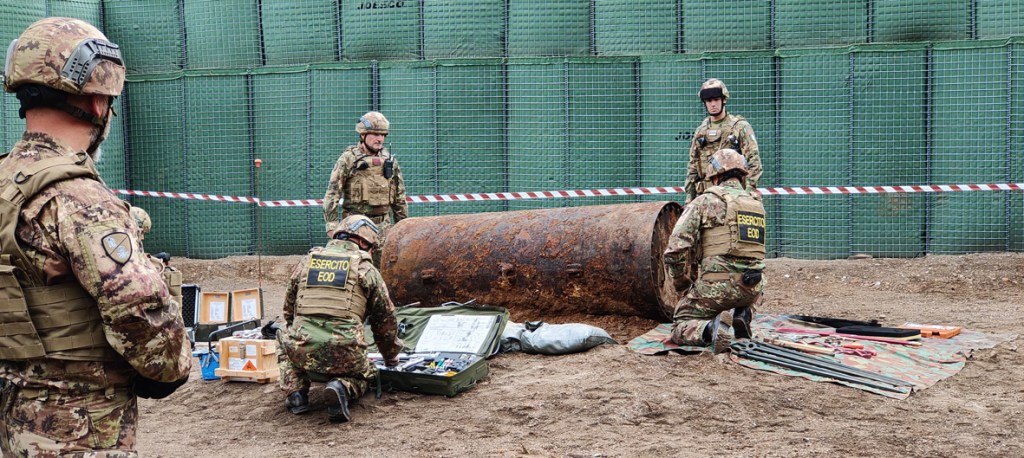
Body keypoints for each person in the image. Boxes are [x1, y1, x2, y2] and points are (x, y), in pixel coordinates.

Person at [0, 17, 191, 456]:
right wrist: (169, 369)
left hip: (14, 415)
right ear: (98, 102)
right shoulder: (80, 198)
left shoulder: (7, 184)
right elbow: (137, 305)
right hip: (79, 422)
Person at [277, 215, 404, 423]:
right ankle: (342, 387)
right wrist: (391, 356)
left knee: (282, 333)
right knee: (365, 374)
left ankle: (296, 394)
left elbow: (288, 311)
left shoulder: (306, 262)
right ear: (362, 242)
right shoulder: (367, 270)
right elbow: (385, 323)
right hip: (347, 353)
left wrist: (303, 338)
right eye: (371, 247)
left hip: (302, 349)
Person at [664, 149, 767, 351]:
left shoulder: (705, 201)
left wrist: (681, 283)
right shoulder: (755, 204)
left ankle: (713, 328)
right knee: (750, 283)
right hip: (753, 288)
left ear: (715, 176)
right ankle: (742, 314)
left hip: (717, 287)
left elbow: (675, 249)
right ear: (742, 175)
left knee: (681, 324)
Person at [323, 111, 408, 266]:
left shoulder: (389, 160)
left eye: (383, 135)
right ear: (363, 134)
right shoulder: (348, 159)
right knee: (354, 269)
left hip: (383, 227)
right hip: (355, 227)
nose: (380, 139)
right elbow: (332, 193)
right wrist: (332, 225)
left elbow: (399, 196)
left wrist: (403, 227)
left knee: (384, 270)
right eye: (375, 134)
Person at [684, 78, 763, 204]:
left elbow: (754, 162)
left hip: (734, 198)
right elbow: (693, 167)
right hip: (706, 198)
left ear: (724, 100)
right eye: (709, 100)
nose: (713, 104)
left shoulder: (739, 127)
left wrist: (748, 193)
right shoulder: (701, 132)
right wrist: (689, 199)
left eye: (716, 99)